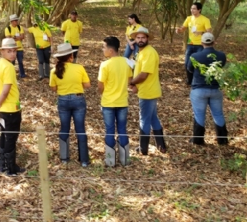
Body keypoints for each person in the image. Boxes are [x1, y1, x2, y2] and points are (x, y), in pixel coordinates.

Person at [49, 43, 91, 167]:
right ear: (71, 56)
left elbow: (53, 88)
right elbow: (87, 85)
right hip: (78, 99)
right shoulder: (79, 68)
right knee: (80, 129)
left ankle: (64, 158)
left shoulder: (54, 71)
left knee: (64, 128)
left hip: (62, 100)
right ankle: (84, 160)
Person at [0, 38, 26, 176]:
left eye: (14, 51)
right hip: (10, 109)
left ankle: (2, 166)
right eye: (9, 51)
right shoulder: (8, 66)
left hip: (3, 108)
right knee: (10, 138)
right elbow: (6, 89)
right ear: (2, 51)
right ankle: (9, 169)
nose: (12, 54)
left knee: (4, 136)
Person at [128, 27, 167, 156]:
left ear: (148, 38)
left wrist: (132, 82)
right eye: (138, 38)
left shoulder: (149, 52)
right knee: (152, 118)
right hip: (146, 90)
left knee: (144, 118)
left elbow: (144, 74)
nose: (140, 40)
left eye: (143, 37)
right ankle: (161, 146)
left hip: (148, 91)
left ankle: (143, 148)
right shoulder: (141, 52)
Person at [187, 33, 228, 145]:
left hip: (199, 89)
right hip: (215, 89)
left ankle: (198, 140)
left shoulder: (195, 56)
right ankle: (222, 140)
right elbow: (222, 66)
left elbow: (189, 69)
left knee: (199, 114)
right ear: (214, 42)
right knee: (218, 114)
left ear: (202, 43)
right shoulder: (221, 55)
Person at [97, 36, 132, 167]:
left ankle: (110, 161)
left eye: (104, 47)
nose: (103, 50)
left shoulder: (105, 65)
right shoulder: (126, 62)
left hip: (108, 103)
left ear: (111, 50)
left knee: (109, 130)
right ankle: (125, 160)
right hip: (122, 102)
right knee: (122, 129)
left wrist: (102, 93)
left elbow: (100, 86)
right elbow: (129, 80)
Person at [176, 2, 212, 85]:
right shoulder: (189, 18)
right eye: (191, 8)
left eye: (194, 9)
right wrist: (179, 30)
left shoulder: (205, 19)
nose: (192, 10)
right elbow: (183, 29)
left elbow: (209, 31)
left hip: (200, 44)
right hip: (190, 44)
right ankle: (189, 80)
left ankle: (197, 81)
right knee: (187, 63)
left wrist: (201, 32)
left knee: (198, 63)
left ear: (199, 10)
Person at [4, 14, 27, 78]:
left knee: (20, 61)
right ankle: (12, 74)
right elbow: (8, 37)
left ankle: (22, 74)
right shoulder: (7, 28)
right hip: (11, 48)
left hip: (19, 47)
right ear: (11, 21)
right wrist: (17, 37)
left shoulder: (20, 27)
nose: (16, 22)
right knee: (12, 62)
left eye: (17, 20)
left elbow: (22, 37)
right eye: (15, 21)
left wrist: (14, 37)